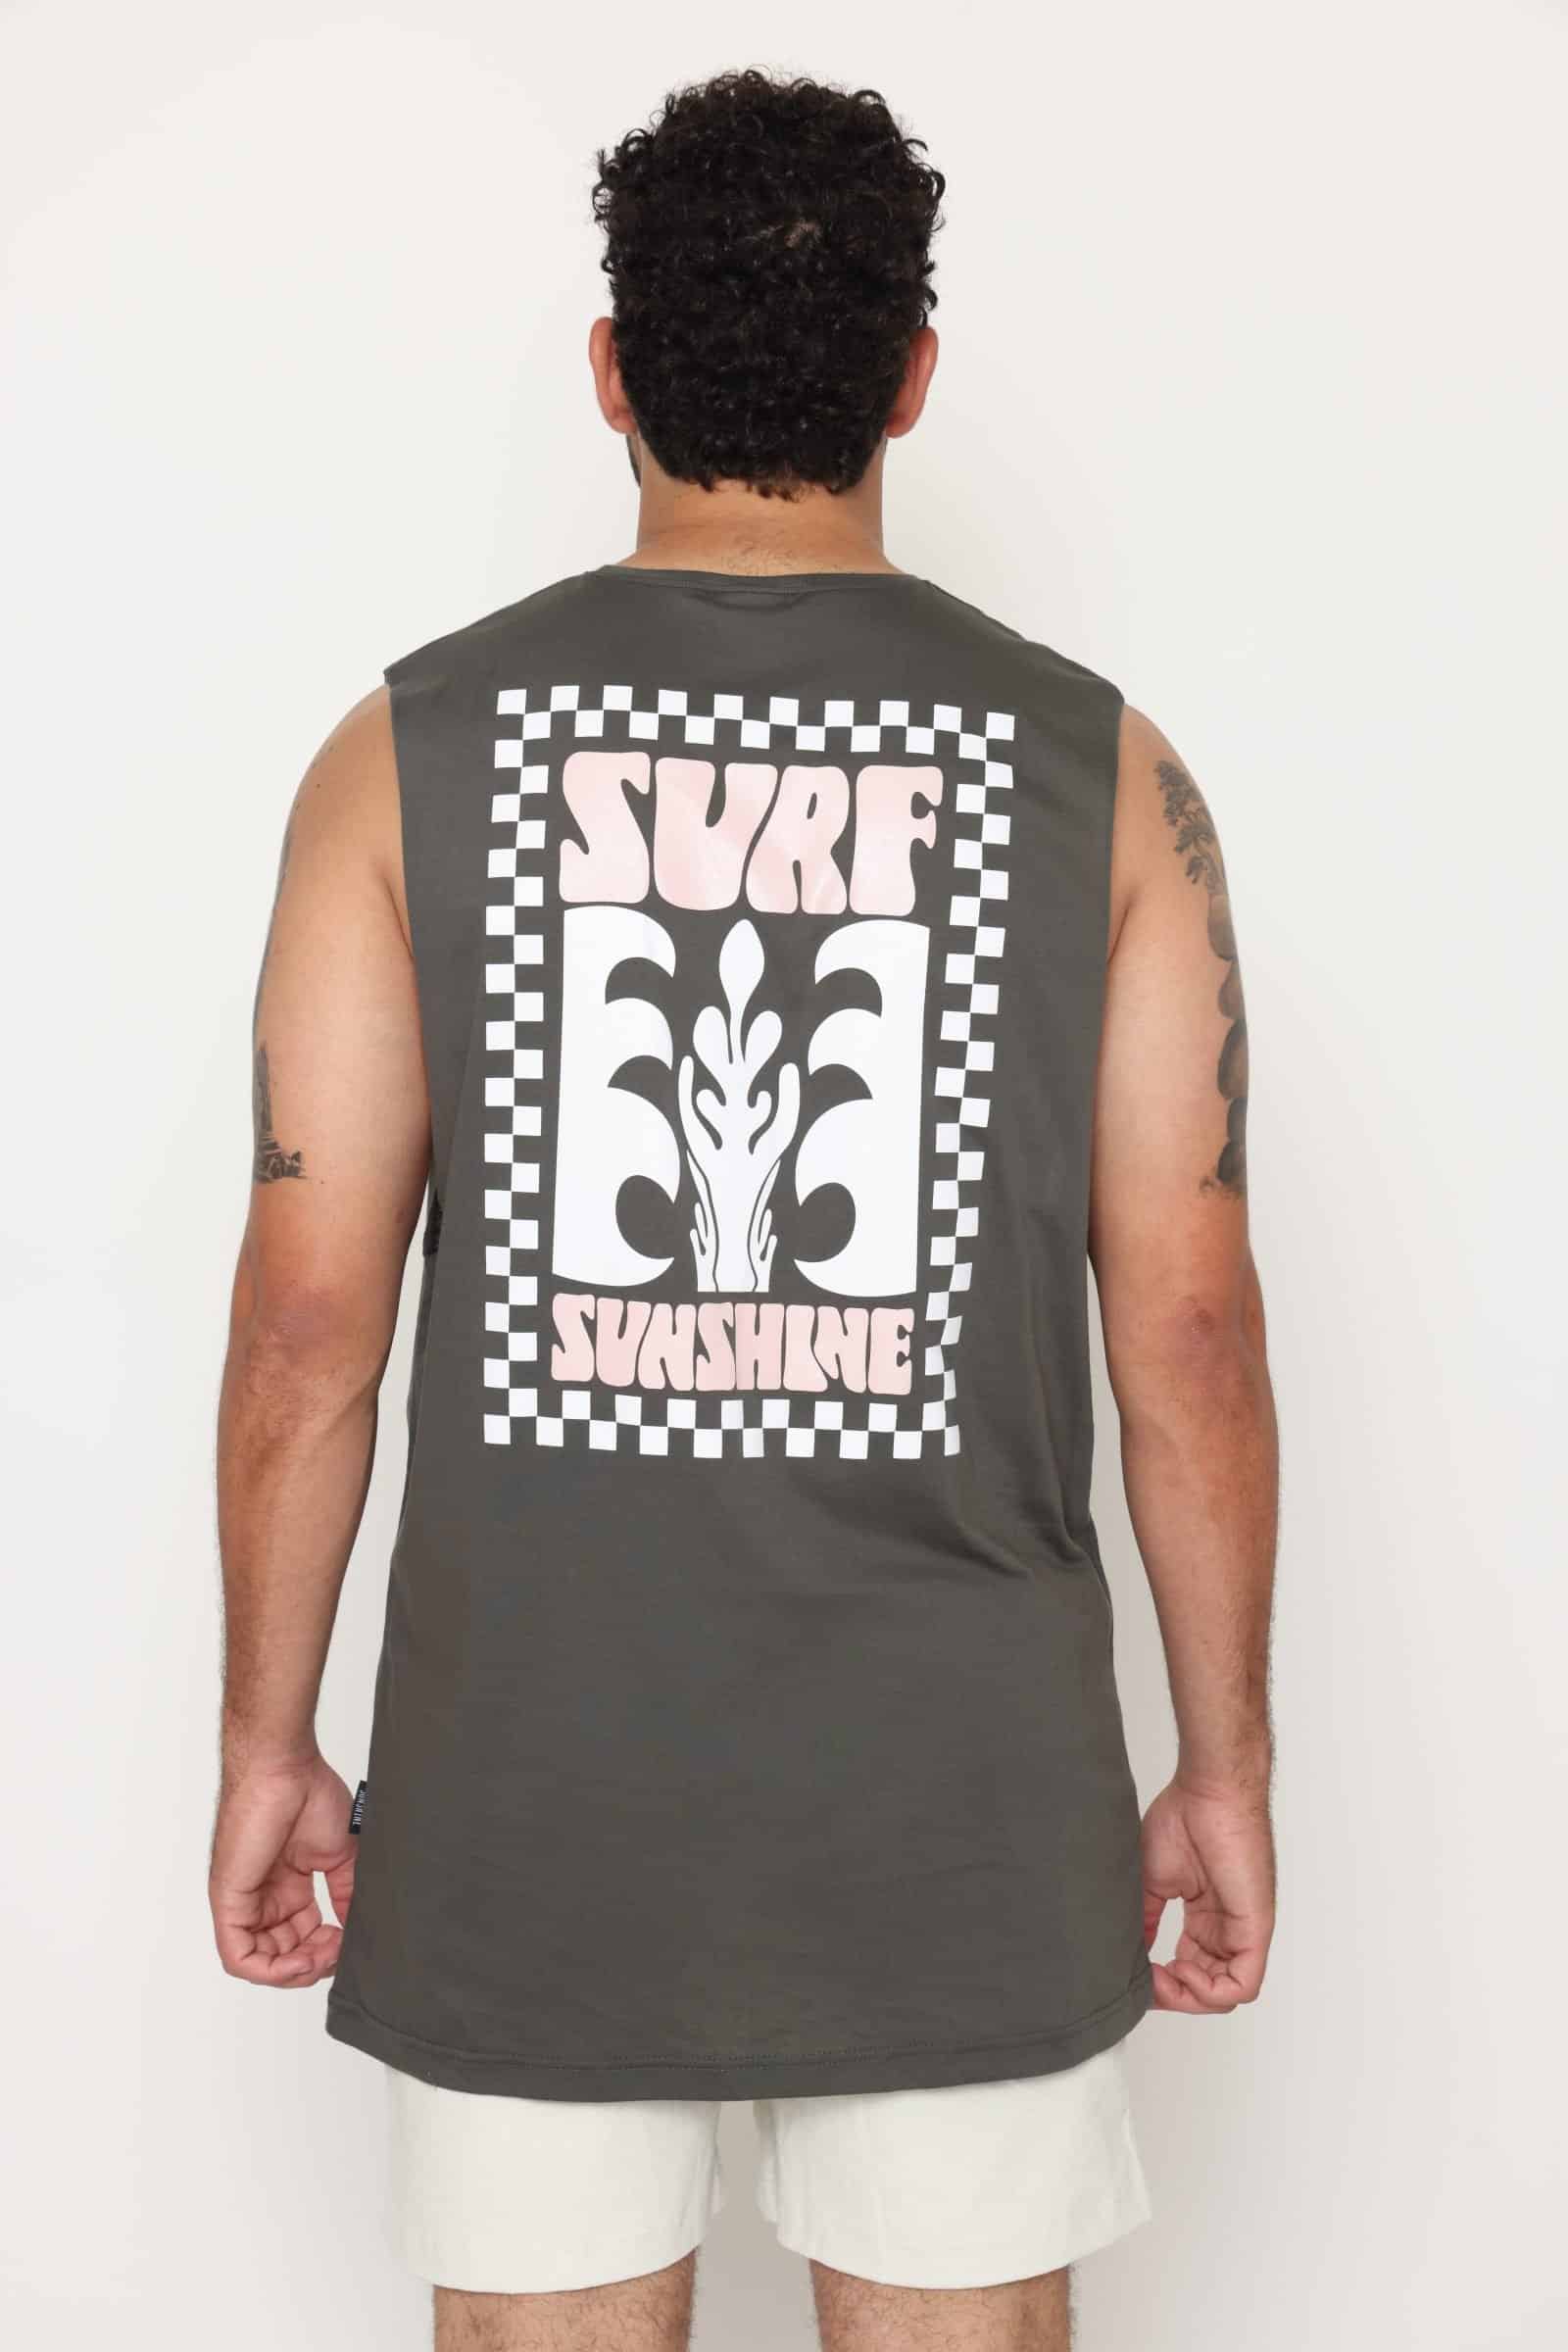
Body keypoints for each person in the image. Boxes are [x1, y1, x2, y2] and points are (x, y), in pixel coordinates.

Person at [210, 68, 1278, 2352]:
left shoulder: (403, 757)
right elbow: (1187, 1331)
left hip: (528, 1790)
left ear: (613, 373)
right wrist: (1222, 1763)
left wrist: (266, 1740)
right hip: (960, 1795)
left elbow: (308, 1317)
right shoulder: (1100, 779)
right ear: (911, 376)